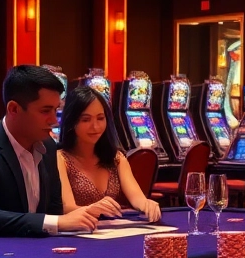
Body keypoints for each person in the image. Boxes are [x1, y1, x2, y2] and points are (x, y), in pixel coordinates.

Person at [0, 66, 99, 237]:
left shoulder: (49, 147)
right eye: (45, 111)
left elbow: (54, 208)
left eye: (56, 110)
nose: (54, 120)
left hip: (33, 250)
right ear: (14, 109)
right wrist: (58, 222)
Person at [56, 86, 164, 222]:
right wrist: (93, 209)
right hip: (78, 233)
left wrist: (147, 204)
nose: (95, 126)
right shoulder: (61, 158)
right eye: (86, 120)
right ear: (72, 122)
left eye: (100, 118)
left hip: (111, 232)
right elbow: (68, 208)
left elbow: (137, 198)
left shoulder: (116, 158)